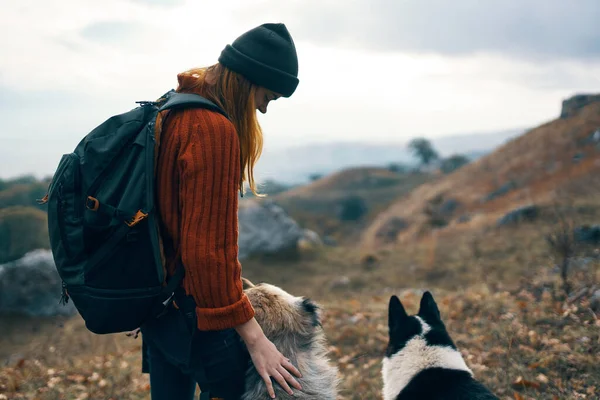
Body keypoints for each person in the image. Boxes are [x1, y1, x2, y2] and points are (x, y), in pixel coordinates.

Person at [139, 23, 302, 400]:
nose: (263, 108)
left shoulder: (172, 107)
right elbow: (208, 253)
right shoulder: (212, 130)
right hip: (197, 314)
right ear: (249, 81)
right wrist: (256, 338)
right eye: (268, 96)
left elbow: (161, 218)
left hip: (160, 306)